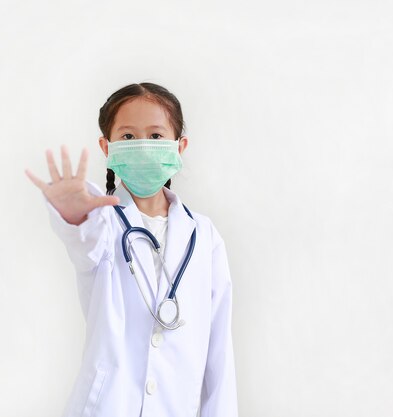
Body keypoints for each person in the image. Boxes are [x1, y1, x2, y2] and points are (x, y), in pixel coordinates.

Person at [25, 82, 238, 417]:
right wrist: (73, 214)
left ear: (179, 146)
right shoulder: (102, 221)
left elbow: (219, 355)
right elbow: (85, 243)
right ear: (106, 147)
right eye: (128, 137)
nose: (142, 145)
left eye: (155, 136)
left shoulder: (204, 236)